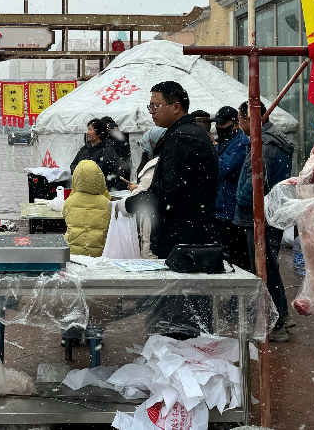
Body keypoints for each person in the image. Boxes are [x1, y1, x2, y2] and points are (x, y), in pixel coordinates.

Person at [124, 82, 218, 338]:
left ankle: (181, 363)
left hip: (185, 239)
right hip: (187, 235)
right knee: (182, 309)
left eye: (156, 106)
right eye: (150, 106)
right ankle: (179, 358)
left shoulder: (183, 138)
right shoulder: (184, 134)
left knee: (180, 314)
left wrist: (130, 203)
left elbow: (169, 191)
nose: (151, 112)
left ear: (176, 106)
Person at [234, 100, 294, 342]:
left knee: (264, 270)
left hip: (260, 217)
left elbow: (255, 184)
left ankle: (274, 323)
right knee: (269, 267)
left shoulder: (265, 145)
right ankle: (282, 315)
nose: (239, 126)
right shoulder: (272, 141)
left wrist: (241, 200)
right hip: (268, 214)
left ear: (249, 119)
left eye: (240, 120)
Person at [213, 106, 251, 271]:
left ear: (235, 124)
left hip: (231, 211)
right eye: (217, 124)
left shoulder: (242, 144)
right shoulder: (222, 142)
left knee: (236, 261)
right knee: (222, 259)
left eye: (222, 124)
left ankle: (237, 296)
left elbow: (222, 170)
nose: (219, 127)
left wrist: (208, 150)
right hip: (219, 210)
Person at [128, 127, 165, 257]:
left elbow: (141, 195)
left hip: (153, 220)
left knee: (150, 256)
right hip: (160, 219)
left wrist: (135, 191)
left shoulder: (155, 164)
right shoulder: (167, 160)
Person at [63, 160, 110, 257]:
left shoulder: (70, 201)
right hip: (99, 253)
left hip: (72, 252)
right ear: (99, 178)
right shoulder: (107, 203)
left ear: (76, 178)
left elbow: (65, 218)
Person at [71, 118, 124, 191]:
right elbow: (73, 165)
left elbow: (106, 167)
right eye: (88, 129)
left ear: (99, 133)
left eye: (90, 129)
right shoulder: (85, 148)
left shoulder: (108, 148)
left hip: (101, 190)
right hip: (83, 189)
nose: (87, 133)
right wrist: (79, 172)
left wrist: (84, 170)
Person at [102, 116, 132, 185]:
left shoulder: (118, 137)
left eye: (110, 126)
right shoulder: (100, 138)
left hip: (119, 170)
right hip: (105, 171)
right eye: (106, 126)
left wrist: (118, 135)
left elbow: (126, 150)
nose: (108, 128)